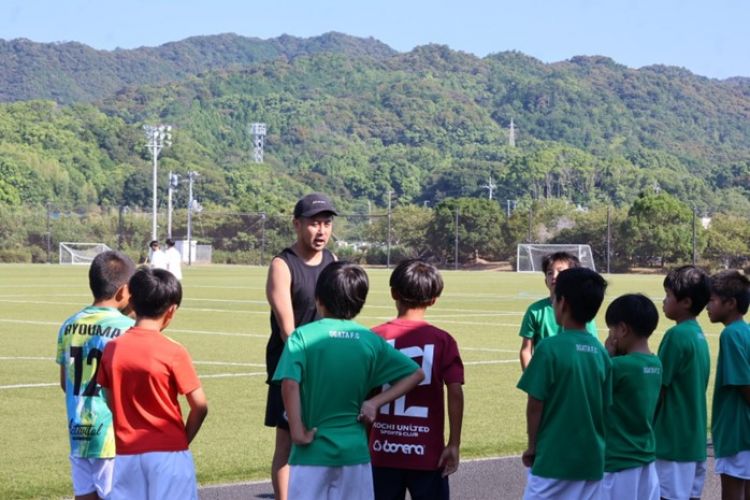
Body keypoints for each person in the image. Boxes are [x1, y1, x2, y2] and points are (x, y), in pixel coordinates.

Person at [273, 261, 425, 500]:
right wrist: (375, 403)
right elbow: (415, 373)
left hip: (312, 452)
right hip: (355, 452)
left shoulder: (302, 336)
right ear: (360, 303)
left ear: (318, 298)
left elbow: (289, 384)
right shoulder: (369, 340)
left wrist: (297, 432)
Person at [97, 267, 208, 500]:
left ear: (132, 303)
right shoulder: (174, 351)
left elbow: (108, 397)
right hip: (169, 452)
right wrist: (182, 439)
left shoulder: (112, 348)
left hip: (127, 453)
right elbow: (199, 405)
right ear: (172, 310)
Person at [369, 259, 464, 500]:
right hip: (427, 452)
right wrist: (454, 443)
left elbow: (361, 392)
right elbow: (455, 391)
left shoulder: (374, 337)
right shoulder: (443, 340)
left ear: (393, 293)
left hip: (381, 450)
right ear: (433, 299)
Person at [264, 192, 338, 500]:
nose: (321, 231)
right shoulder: (283, 265)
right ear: (297, 225)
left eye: (326, 223)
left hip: (326, 366)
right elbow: (287, 330)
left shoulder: (333, 262)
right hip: (292, 367)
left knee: (325, 438)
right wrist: (309, 365)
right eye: (314, 223)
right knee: (287, 442)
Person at [517, 267, 611, 499]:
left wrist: (532, 445)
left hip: (553, 459)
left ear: (563, 303)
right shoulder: (601, 352)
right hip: (591, 460)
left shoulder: (549, 348)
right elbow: (606, 407)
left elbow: (535, 403)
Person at [56, 250, 136, 500]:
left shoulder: (69, 324)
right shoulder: (127, 329)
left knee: (85, 495)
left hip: (78, 430)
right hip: (112, 434)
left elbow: (64, 382)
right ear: (124, 291)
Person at [653, 265, 711, 500]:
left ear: (686, 302)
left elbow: (658, 388)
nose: (664, 301)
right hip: (694, 439)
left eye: (668, 295)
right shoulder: (698, 334)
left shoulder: (676, 336)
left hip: (672, 441)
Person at [601, 294, 662, 500]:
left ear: (623, 329)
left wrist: (606, 353)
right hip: (645, 457)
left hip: (617, 460)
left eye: (612, 330)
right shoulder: (656, 364)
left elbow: (593, 388)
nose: (611, 336)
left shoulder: (617, 366)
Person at [706, 270, 750, 499]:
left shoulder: (731, 335)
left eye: (712, 300)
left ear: (730, 303)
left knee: (732, 493)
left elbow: (743, 383)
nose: (707, 306)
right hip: (745, 430)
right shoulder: (746, 331)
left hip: (736, 430)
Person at [518, 251, 598, 370]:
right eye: (550, 273)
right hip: (545, 376)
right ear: (545, 280)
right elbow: (526, 350)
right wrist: (531, 378)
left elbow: (591, 347)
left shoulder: (581, 309)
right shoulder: (535, 311)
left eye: (560, 272)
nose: (554, 276)